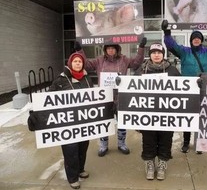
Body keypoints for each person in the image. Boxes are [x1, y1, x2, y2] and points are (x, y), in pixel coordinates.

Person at [161, 19, 207, 154]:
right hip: (188, 90)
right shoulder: (184, 52)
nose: (196, 40)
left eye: (198, 38)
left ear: (202, 40)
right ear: (191, 40)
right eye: (194, 38)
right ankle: (186, 142)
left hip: (205, 89)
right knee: (188, 117)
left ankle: (201, 144)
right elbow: (171, 45)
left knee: (204, 118)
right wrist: (167, 32)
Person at [28, 52, 94, 189]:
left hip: (83, 122)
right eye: (75, 61)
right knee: (71, 150)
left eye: (80, 62)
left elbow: (93, 98)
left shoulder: (87, 79)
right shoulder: (60, 80)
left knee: (83, 147)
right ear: (70, 63)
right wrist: (36, 113)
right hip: (67, 123)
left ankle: (80, 169)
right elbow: (47, 100)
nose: (77, 63)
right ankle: (72, 177)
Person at [75, 38, 146, 157]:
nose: (111, 50)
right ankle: (103, 145)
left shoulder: (124, 60)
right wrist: (79, 51)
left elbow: (136, 63)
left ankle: (121, 143)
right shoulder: (99, 60)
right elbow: (86, 65)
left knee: (122, 122)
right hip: (104, 97)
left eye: (113, 48)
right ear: (105, 50)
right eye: (108, 48)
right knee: (104, 122)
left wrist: (141, 48)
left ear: (117, 49)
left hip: (120, 96)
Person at [134, 43, 181, 180]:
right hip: (147, 114)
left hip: (167, 114)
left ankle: (161, 164)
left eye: (159, 52)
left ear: (163, 54)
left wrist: (196, 84)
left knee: (165, 140)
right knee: (148, 140)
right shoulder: (142, 70)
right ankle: (149, 164)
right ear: (150, 54)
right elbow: (132, 92)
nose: (156, 54)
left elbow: (183, 91)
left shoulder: (172, 71)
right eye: (153, 52)